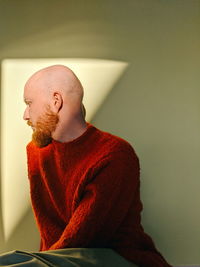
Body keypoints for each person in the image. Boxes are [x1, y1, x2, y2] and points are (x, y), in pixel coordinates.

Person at [0, 65, 172, 267]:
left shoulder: (115, 154)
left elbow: (86, 236)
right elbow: (49, 232)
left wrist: (42, 262)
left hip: (117, 256)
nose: (25, 115)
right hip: (62, 257)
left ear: (56, 101)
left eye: (29, 103)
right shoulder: (37, 151)